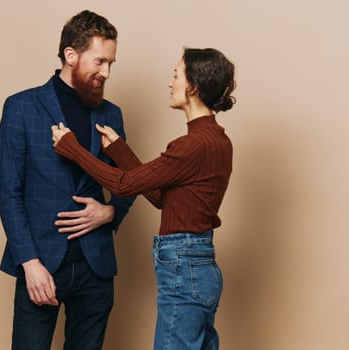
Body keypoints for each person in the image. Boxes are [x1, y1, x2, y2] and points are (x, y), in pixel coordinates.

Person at [51, 47, 236, 350]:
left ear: (192, 87)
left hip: (184, 266)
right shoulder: (218, 141)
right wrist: (120, 150)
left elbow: (123, 186)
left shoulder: (191, 145)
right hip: (201, 265)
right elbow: (162, 198)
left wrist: (72, 148)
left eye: (176, 75)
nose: (170, 82)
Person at [0, 10, 135, 350]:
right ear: (70, 55)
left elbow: (130, 179)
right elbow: (9, 192)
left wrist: (110, 212)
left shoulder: (111, 113)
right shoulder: (21, 107)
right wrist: (29, 263)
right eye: (100, 61)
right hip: (41, 261)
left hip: (96, 266)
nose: (106, 72)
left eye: (111, 64)